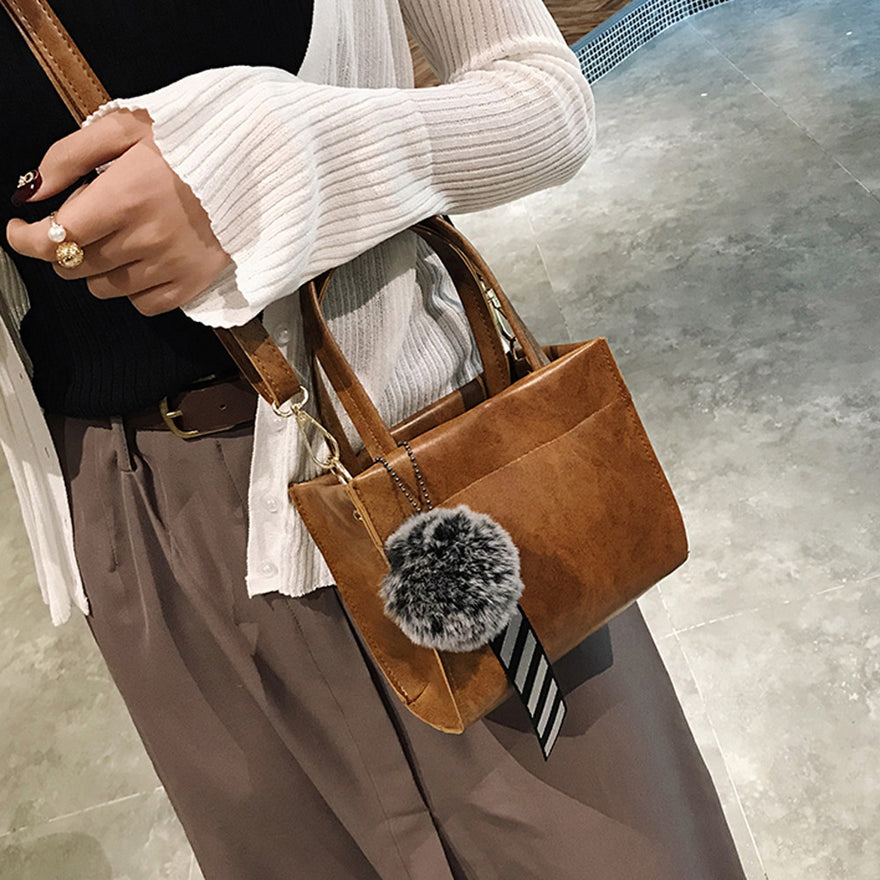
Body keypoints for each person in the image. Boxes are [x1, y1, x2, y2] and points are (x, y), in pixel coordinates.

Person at [1, 1, 747, 877]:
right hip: (136, 524)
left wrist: (302, 154)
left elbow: (547, 104)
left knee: (616, 850)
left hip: (436, 465)